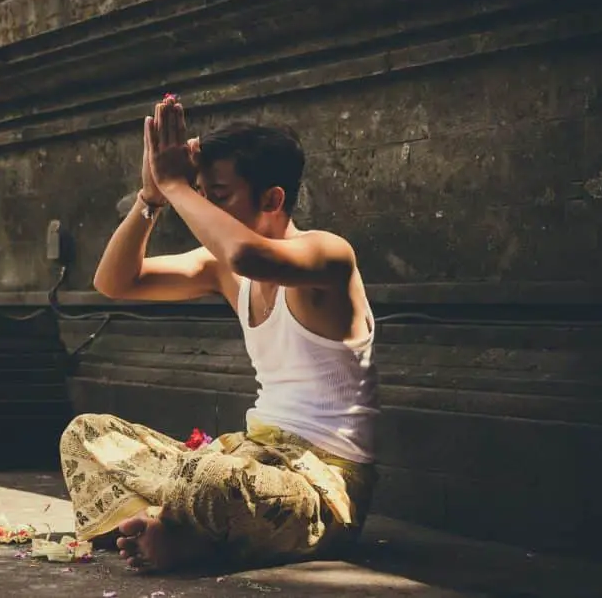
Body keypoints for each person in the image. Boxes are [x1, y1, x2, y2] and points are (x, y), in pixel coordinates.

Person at [59, 95, 379, 572]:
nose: (202, 209)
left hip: (318, 488)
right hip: (244, 454)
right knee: (87, 435)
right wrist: (152, 199)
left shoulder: (328, 255)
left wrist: (176, 184)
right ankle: (173, 528)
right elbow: (114, 282)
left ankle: (177, 534)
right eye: (202, 194)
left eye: (219, 196)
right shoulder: (222, 268)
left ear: (272, 199)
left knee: (210, 476)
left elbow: (247, 255)